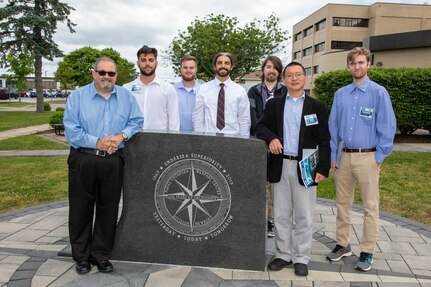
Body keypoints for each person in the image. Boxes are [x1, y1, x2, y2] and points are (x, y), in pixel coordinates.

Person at [63, 57, 144, 274]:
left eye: (111, 73)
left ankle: (101, 255)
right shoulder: (77, 97)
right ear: (94, 73)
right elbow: (72, 130)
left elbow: (136, 120)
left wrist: (121, 136)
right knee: (81, 208)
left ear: (116, 76)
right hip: (84, 158)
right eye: (102, 72)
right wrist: (97, 142)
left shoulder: (126, 96)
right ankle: (81, 256)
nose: (106, 77)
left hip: (112, 160)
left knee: (108, 209)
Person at [255, 61, 330, 276]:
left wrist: (323, 168)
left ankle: (301, 257)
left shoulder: (317, 107)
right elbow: (259, 126)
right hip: (280, 164)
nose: (294, 78)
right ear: (284, 79)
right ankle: (283, 254)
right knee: (281, 215)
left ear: (305, 78)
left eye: (298, 74)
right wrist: (270, 138)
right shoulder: (274, 104)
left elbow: (325, 140)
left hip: (306, 165)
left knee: (304, 215)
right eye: (290, 75)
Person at [326, 47, 396, 272]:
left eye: (361, 62)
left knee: (370, 207)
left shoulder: (378, 93)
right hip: (344, 157)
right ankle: (343, 244)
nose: (357, 66)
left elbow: (387, 125)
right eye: (353, 63)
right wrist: (333, 155)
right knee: (342, 204)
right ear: (348, 66)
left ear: (368, 65)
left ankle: (367, 251)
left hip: (368, 157)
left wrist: (379, 156)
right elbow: (333, 126)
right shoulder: (341, 94)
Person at [248, 55, 287, 238]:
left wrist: (274, 138)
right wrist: (263, 135)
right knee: (258, 184)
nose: (271, 70)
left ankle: (272, 220)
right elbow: (252, 117)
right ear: (263, 69)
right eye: (268, 67)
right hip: (257, 144)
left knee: (274, 186)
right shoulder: (253, 92)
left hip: (278, 145)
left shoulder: (285, 92)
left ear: (279, 73)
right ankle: (257, 219)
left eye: (275, 68)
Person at [192, 52, 250, 136]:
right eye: (219, 63)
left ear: (231, 66)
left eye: (226, 63)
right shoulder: (203, 89)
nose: (223, 66)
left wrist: (243, 141)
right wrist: (199, 139)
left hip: (233, 139)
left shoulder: (240, 91)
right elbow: (198, 118)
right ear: (214, 66)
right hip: (209, 139)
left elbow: (244, 119)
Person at [124, 45, 179, 131]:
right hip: (132, 140)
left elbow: (174, 121)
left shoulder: (168, 89)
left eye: (151, 60)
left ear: (156, 63)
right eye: (143, 60)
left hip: (160, 141)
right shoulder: (126, 89)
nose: (147, 64)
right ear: (138, 63)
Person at [174, 55, 200, 132]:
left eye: (191, 68)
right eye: (185, 67)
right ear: (181, 69)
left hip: (199, 138)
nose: (188, 70)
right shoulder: (172, 90)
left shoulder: (203, 91)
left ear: (196, 69)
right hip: (176, 137)